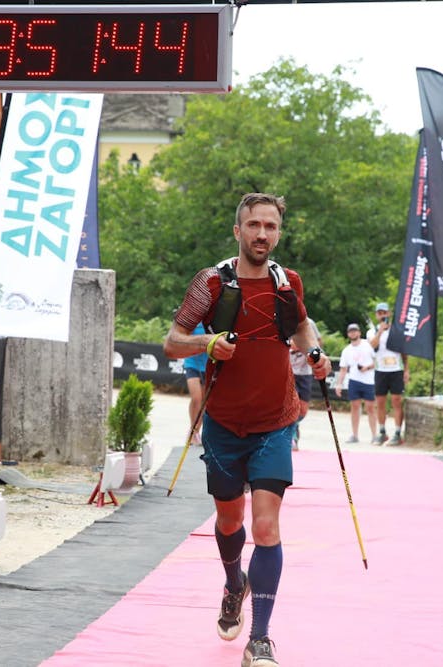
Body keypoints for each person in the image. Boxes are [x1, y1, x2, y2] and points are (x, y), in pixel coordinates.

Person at [162, 192, 330, 667]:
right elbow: (173, 342)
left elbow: (301, 325)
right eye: (253, 225)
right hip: (223, 424)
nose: (262, 234)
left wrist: (315, 352)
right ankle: (234, 582)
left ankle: (259, 639)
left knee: (266, 526)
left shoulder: (286, 282)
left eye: (270, 227)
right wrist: (208, 342)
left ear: (279, 232)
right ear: (238, 231)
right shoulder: (212, 283)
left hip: (276, 422)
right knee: (231, 522)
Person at [367, 302, 409, 445]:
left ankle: (397, 432)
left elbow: (404, 351)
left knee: (397, 400)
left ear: (389, 313)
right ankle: (382, 431)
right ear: (376, 315)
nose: (382, 315)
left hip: (396, 369)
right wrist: (380, 331)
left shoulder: (398, 330)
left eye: (384, 312)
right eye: (379, 313)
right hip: (381, 370)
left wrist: (407, 369)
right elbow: (372, 345)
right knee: (380, 402)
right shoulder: (372, 331)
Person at [334, 323, 377, 444]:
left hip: (368, 380)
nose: (353, 333)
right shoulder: (347, 350)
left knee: (370, 407)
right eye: (350, 331)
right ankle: (355, 434)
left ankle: (374, 435)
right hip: (354, 380)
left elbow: (376, 362)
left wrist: (367, 368)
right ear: (348, 334)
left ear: (359, 332)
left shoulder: (368, 345)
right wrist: (339, 384)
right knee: (355, 407)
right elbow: (343, 369)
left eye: (355, 331)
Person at [288, 317, 322, 450]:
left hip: (305, 371)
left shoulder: (309, 323)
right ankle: (291, 435)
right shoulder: (282, 319)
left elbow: (318, 343)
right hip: (289, 370)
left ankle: (295, 425)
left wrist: (312, 353)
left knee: (303, 409)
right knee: (292, 405)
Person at [183, 322, 209, 446]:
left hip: (208, 365)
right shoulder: (195, 320)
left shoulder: (213, 320)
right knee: (196, 398)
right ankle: (193, 431)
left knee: (204, 401)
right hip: (192, 363)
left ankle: (196, 431)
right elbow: (185, 339)